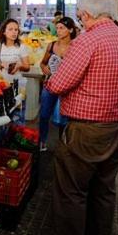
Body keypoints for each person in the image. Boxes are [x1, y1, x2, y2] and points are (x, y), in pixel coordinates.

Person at [46, 0, 118, 235]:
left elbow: (58, 84)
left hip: (87, 132)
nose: (80, 21)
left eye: (80, 16)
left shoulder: (87, 41)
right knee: (104, 192)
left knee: (71, 193)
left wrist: (50, 79)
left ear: (87, 15)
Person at [38, 17, 77, 152]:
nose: (58, 31)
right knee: (44, 114)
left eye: (62, 28)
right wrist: (45, 69)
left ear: (70, 30)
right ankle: (42, 141)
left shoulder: (76, 46)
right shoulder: (52, 45)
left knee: (64, 117)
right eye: (58, 28)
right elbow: (42, 63)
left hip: (67, 88)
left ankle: (62, 143)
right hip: (50, 85)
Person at [0, 19, 30, 83]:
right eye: (10, 29)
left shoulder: (21, 47)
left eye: (16, 30)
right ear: (4, 32)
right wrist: (1, 65)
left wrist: (19, 66)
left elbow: (27, 67)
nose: (14, 32)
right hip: (0, 83)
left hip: (16, 83)